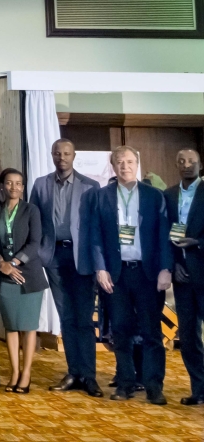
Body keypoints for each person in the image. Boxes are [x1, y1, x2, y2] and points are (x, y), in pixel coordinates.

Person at [86, 145, 172, 406]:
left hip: (147, 274)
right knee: (120, 332)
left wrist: (165, 269)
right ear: (113, 166)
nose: (125, 166)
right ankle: (124, 383)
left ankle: (154, 386)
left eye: (129, 161)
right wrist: (100, 268)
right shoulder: (101, 197)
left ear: (138, 164)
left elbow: (163, 236)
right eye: (119, 162)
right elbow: (95, 235)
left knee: (151, 333)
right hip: (116, 275)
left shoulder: (154, 196)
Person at [29, 138, 102, 397]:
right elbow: (33, 221)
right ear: (52, 155)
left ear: (74, 156)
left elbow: (96, 227)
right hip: (53, 257)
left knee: (84, 319)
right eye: (57, 153)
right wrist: (37, 254)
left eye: (67, 153)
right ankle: (74, 372)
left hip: (81, 258)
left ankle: (89, 376)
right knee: (66, 317)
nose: (62, 157)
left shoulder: (91, 187)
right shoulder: (40, 184)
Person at [0, 168, 46, 394]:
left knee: (28, 328)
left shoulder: (31, 210)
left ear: (23, 187)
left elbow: (35, 243)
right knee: (11, 327)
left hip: (28, 275)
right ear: (3, 186)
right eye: (9, 183)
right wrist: (0, 262)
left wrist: (14, 264)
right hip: (3, 275)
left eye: (19, 183)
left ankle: (26, 373)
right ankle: (13, 372)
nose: (14, 187)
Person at [166, 148, 204, 405]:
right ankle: (199, 389)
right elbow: (162, 234)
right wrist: (172, 264)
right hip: (182, 275)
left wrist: (198, 243)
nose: (187, 165)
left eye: (192, 161)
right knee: (189, 336)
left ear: (200, 164)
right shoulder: (168, 195)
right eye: (182, 161)